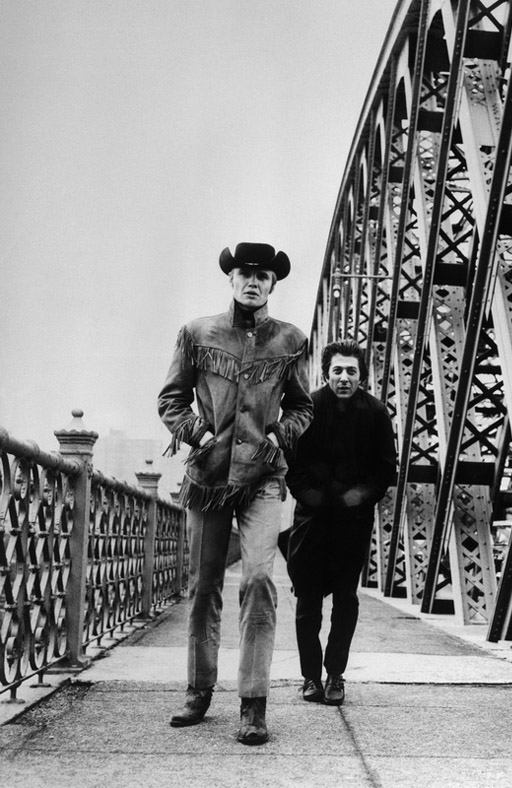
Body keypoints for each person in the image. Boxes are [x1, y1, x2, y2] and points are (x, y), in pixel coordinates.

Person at [158, 242, 312, 744]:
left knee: (261, 580)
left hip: (263, 478)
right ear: (232, 279)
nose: (253, 281)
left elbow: (303, 407)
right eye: (245, 273)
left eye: (262, 276)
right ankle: (199, 690)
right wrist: (198, 434)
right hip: (207, 479)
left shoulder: (291, 339)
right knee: (204, 588)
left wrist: (277, 436)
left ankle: (253, 703)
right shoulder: (197, 332)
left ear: (272, 284)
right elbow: (171, 398)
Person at [285, 339, 397, 705]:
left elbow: (385, 471)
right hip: (312, 521)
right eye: (338, 371)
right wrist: (314, 498)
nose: (344, 377)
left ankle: (335, 674)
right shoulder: (308, 408)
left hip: (352, 522)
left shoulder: (377, 413)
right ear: (326, 373)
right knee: (308, 602)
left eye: (352, 371)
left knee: (346, 601)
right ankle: (310, 677)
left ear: (362, 375)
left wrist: (355, 498)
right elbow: (292, 466)